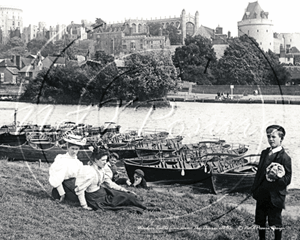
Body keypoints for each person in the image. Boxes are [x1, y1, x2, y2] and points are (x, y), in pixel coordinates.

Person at [74, 147, 159, 213]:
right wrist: (84, 205)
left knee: (126, 195)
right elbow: (79, 190)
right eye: (103, 160)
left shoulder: (101, 169)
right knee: (123, 200)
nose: (105, 162)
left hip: (102, 191)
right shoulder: (89, 172)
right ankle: (145, 208)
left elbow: (109, 183)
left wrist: (124, 189)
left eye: (105, 160)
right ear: (96, 160)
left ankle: (144, 206)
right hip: (96, 198)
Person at [251, 125, 292, 240]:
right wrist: (254, 189)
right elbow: (259, 173)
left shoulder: (285, 158)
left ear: (281, 139)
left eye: (273, 137)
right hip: (262, 194)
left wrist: (277, 177)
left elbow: (287, 179)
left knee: (275, 223)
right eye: (268, 136)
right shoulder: (264, 153)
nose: (270, 139)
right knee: (260, 221)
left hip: (275, 197)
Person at [49, 133, 87, 203]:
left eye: (76, 149)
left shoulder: (78, 162)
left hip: (74, 184)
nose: (74, 151)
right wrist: (62, 194)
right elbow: (57, 178)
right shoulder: (62, 159)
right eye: (72, 148)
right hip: (63, 187)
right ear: (68, 148)